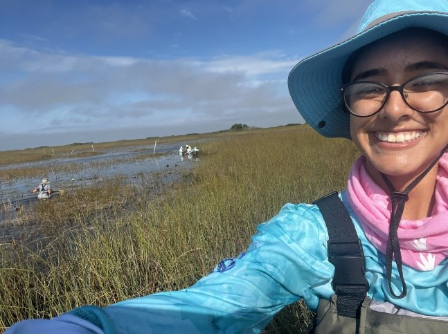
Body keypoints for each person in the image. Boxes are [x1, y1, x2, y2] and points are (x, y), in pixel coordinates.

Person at [6, 0, 448, 332]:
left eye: (426, 81)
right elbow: (215, 305)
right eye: (369, 87)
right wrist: (86, 327)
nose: (394, 109)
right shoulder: (310, 235)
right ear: (348, 109)